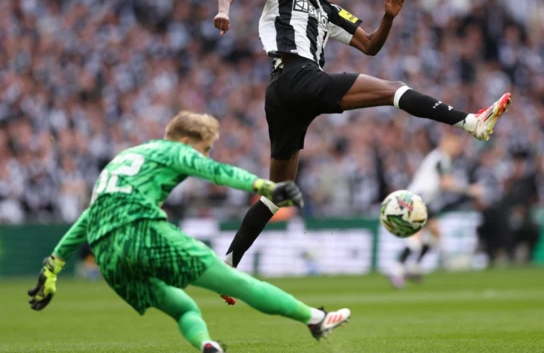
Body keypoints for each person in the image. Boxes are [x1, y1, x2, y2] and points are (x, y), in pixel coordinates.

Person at [214, 0, 512, 270]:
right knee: (394, 89)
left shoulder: (329, 11)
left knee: (277, 195)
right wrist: (224, 11)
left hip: (285, 96)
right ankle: (470, 121)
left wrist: (388, 17)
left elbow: (370, 45)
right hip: (294, 76)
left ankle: (228, 264)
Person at [27, 111, 350, 353]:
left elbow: (87, 218)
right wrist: (266, 187)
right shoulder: (171, 150)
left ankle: (207, 344)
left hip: (109, 257)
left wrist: (52, 267)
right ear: (185, 141)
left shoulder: (120, 161)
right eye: (204, 147)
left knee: (184, 308)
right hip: (143, 232)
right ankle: (315, 318)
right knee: (238, 283)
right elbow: (215, 172)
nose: (204, 154)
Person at [389, 130, 483, 288]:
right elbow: (447, 183)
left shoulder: (438, 157)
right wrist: (470, 190)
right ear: (446, 144)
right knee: (416, 238)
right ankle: (397, 268)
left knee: (435, 233)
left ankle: (414, 267)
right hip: (418, 199)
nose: (456, 148)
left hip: (420, 199)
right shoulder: (441, 158)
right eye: (454, 144)